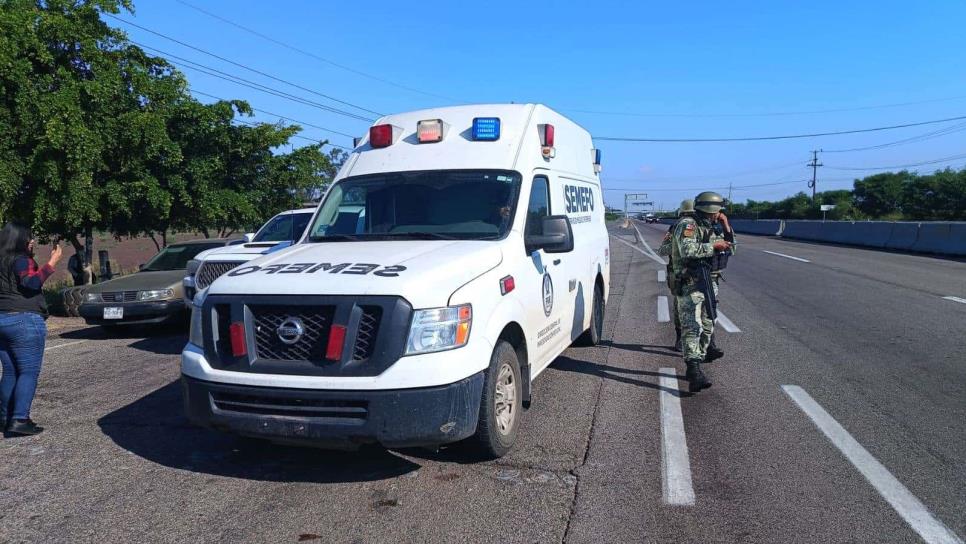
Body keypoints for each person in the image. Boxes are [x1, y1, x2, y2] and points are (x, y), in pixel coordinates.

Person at [0, 223, 62, 436]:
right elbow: (32, 283)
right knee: (28, 372)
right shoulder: (21, 260)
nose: (32, 241)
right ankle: (19, 419)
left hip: (2, 320)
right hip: (23, 321)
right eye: (29, 238)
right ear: (19, 240)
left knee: (10, 371)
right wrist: (52, 262)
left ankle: (4, 417)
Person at [670, 192, 731, 393]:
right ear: (710, 210)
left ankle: (701, 356)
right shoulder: (688, 225)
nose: (719, 214)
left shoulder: (711, 226)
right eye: (718, 211)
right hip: (690, 284)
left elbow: (731, 248)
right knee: (692, 326)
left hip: (709, 282)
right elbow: (687, 250)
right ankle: (693, 369)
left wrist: (726, 227)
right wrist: (713, 246)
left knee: (708, 323)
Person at [657, 199, 695, 351]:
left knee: (682, 307)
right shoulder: (676, 228)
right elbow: (664, 250)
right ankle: (681, 338)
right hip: (681, 275)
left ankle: (686, 340)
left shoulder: (678, 227)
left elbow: (663, 250)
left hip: (685, 274)